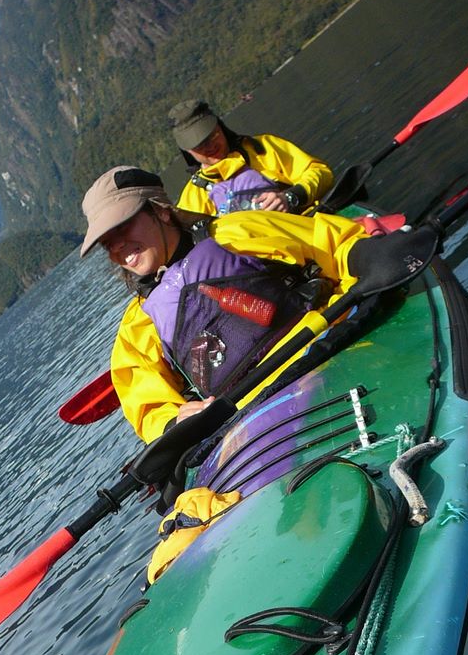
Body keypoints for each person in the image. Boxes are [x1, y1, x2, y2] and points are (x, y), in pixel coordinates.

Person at [80, 165, 382, 444]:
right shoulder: (137, 326)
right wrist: (172, 421)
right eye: (107, 242)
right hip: (257, 415)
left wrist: (365, 257)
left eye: (123, 226)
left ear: (161, 211)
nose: (117, 246)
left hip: (328, 348)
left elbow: (332, 242)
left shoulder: (235, 233)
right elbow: (148, 406)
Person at [169, 98, 334, 216]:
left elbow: (321, 173)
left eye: (212, 136)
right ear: (187, 151)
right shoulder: (192, 198)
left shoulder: (263, 147)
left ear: (220, 126)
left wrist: (289, 197)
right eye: (199, 145)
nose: (210, 146)